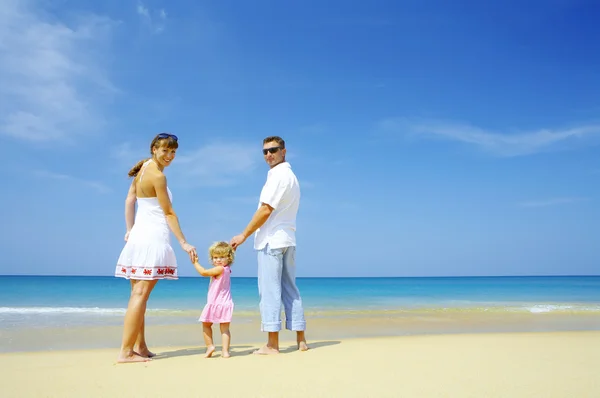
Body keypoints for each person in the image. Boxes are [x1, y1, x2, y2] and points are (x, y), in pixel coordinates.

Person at [114, 132, 198, 363]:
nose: (169, 156)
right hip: (152, 238)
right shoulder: (158, 177)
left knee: (137, 296)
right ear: (154, 149)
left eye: (173, 152)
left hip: (138, 237)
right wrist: (183, 242)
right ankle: (126, 351)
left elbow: (129, 200)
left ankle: (139, 346)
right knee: (140, 295)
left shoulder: (143, 169)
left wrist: (129, 229)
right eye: (165, 150)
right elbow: (169, 213)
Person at [230, 136, 308, 355]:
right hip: (288, 240)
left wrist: (243, 235)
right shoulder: (292, 177)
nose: (268, 155)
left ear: (284, 151)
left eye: (273, 150)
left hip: (272, 240)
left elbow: (266, 209)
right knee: (291, 289)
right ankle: (301, 340)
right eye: (264, 152)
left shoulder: (278, 176)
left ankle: (272, 345)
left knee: (270, 291)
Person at [193, 241, 235, 358]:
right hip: (226, 303)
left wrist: (195, 263)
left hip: (215, 303)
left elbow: (204, 272)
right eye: (215, 257)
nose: (218, 260)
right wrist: (230, 250)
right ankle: (225, 351)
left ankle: (210, 346)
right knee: (225, 329)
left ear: (228, 258)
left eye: (222, 257)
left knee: (206, 325)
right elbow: (229, 255)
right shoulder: (227, 269)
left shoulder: (219, 269)